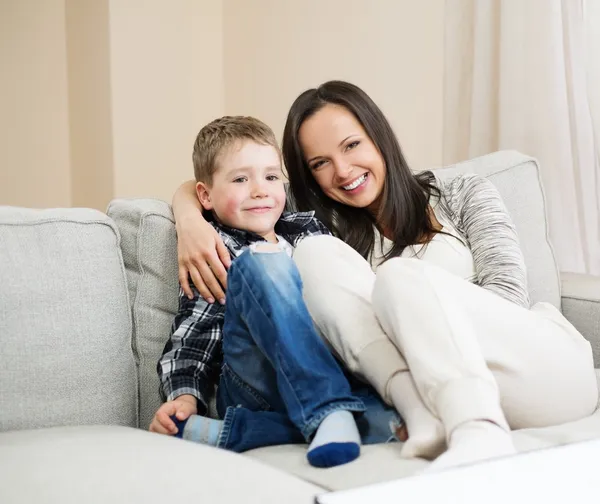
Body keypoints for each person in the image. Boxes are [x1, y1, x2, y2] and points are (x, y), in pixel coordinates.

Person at [170, 81, 598, 471]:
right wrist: (191, 218)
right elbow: (233, 187)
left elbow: (508, 297)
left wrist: (417, 318)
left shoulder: (460, 192)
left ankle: (478, 430)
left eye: (352, 144)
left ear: (379, 135)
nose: (342, 170)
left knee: (399, 278)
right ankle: (424, 416)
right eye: (320, 163)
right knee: (317, 255)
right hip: (425, 394)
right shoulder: (317, 231)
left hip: (538, 370)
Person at [151, 115, 380, 469]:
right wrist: (184, 396)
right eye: (241, 179)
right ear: (205, 195)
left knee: (393, 417)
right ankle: (328, 411)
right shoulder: (215, 248)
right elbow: (194, 333)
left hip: (327, 371)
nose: (260, 189)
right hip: (253, 382)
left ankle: (241, 433)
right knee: (263, 263)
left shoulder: (308, 228)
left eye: (271, 177)